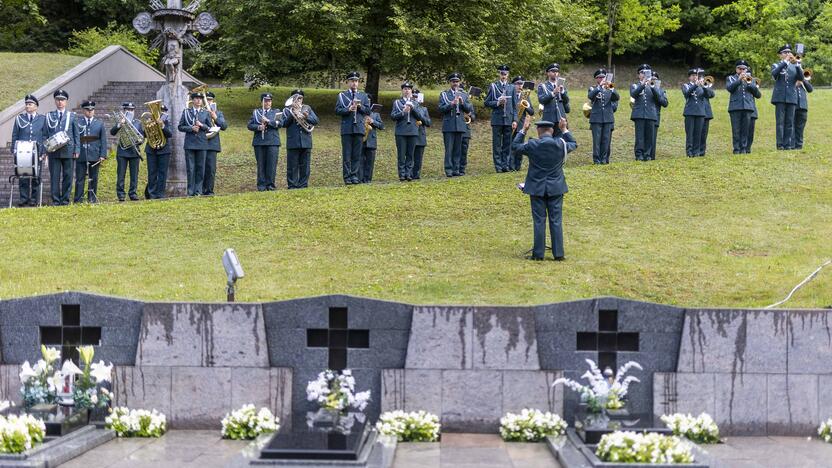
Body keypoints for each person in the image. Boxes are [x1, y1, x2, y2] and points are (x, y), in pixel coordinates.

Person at [512, 116, 577, 261]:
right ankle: (558, 254)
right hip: (556, 187)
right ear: (552, 131)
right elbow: (573, 143)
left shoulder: (533, 144)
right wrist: (564, 129)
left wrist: (523, 130)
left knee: (539, 221)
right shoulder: (560, 144)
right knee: (556, 220)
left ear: (538, 131)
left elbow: (515, 147)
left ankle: (538, 254)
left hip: (537, 187)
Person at [10, 94, 47, 206]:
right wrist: (14, 150)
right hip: (23, 152)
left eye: (30, 104)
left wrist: (44, 151)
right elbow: (15, 135)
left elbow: (45, 136)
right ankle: (24, 198)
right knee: (23, 175)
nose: (27, 106)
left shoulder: (42, 119)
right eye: (26, 104)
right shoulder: (19, 118)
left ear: (36, 106)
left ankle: (35, 199)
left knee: (36, 176)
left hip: (37, 152)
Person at [335, 71, 371, 184]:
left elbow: (368, 111)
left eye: (356, 81)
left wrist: (360, 107)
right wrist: (348, 109)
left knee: (357, 154)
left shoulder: (363, 96)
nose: (354, 83)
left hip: (359, 128)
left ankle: (354, 175)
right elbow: (337, 110)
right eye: (352, 81)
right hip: (347, 128)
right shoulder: (342, 95)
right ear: (348, 82)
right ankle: (347, 177)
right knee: (347, 154)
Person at [45, 89, 79, 205]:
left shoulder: (72, 116)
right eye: (58, 100)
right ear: (55, 101)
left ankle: (65, 199)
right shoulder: (49, 116)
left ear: (66, 101)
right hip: (54, 151)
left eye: (62, 100)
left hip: (68, 150)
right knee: (54, 176)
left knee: (68, 176)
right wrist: (45, 149)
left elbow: (76, 134)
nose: (60, 102)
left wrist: (77, 149)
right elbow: (46, 133)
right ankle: (55, 200)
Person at [283, 89, 319, 189]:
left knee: (305, 166)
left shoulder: (307, 108)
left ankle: (303, 185)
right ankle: (292, 185)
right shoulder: (287, 110)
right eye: (296, 98)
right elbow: (284, 123)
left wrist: (306, 117)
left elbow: (316, 121)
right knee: (292, 166)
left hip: (306, 141)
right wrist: (293, 113)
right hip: (293, 141)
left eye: (300, 98)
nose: (298, 100)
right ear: (292, 99)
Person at [178, 91, 213, 196]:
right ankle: (190, 191)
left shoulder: (205, 112)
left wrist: (201, 125)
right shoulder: (186, 112)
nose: (198, 100)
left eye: (200, 98)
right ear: (192, 100)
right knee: (191, 168)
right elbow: (180, 126)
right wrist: (191, 128)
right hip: (190, 144)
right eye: (196, 98)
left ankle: (198, 190)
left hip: (202, 144)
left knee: (200, 168)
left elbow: (209, 127)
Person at [247, 92, 284, 191]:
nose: (267, 103)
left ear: (271, 102)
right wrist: (259, 127)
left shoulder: (276, 112)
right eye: (265, 101)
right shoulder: (256, 112)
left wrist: (268, 121)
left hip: (272, 142)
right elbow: (249, 125)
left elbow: (280, 123)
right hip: (259, 141)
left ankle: (270, 185)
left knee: (272, 164)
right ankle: (261, 186)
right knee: (261, 164)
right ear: (262, 102)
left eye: (269, 101)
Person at [438, 72, 472, 177]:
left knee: (458, 149)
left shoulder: (464, 94)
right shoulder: (444, 94)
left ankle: (456, 169)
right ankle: (449, 170)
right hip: (449, 125)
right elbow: (440, 109)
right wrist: (451, 104)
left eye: (457, 81)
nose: (455, 83)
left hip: (460, 125)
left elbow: (469, 109)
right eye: (453, 81)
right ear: (450, 82)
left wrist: (462, 102)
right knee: (449, 149)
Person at [73, 100, 107, 203]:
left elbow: (103, 140)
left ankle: (92, 198)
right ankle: (78, 199)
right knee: (80, 178)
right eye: (88, 110)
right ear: (83, 110)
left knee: (94, 177)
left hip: (94, 154)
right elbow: (75, 138)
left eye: (92, 110)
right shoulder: (78, 122)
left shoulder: (99, 124)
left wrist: (103, 155)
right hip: (81, 154)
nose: (90, 112)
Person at [771, 44, 804, 150]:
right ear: (780, 55)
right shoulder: (776, 65)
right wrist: (785, 62)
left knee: (789, 122)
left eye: (789, 52)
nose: (788, 54)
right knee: (780, 122)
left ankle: (788, 144)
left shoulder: (795, 66)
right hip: (779, 97)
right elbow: (774, 75)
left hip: (791, 97)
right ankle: (780, 144)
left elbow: (801, 77)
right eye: (785, 52)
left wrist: (798, 64)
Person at [485, 65, 516, 172]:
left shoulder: (512, 87)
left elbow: (515, 105)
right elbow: (487, 102)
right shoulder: (494, 86)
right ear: (499, 74)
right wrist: (497, 102)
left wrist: (515, 120)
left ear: (508, 75)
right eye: (502, 74)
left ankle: (505, 165)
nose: (504, 76)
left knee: (507, 144)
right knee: (497, 144)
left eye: (505, 74)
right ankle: (498, 166)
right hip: (497, 119)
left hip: (508, 119)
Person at [111, 102, 144, 201]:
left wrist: (139, 141)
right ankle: (121, 194)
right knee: (121, 174)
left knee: (134, 175)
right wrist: (120, 124)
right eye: (128, 110)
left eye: (132, 110)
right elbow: (112, 132)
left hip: (134, 152)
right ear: (124, 111)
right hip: (122, 151)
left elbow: (142, 137)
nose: (130, 111)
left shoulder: (137, 122)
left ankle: (133, 193)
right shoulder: (120, 121)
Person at [726, 60, 761, 154]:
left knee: (746, 129)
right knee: (736, 129)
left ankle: (744, 149)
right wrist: (739, 80)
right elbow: (730, 88)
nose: (741, 70)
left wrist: (750, 84)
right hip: (735, 107)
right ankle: (736, 149)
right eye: (739, 68)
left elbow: (758, 95)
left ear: (746, 69)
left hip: (748, 107)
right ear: (736, 69)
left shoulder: (751, 79)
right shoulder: (731, 78)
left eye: (743, 69)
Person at [391, 82, 423, 181]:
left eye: (409, 89)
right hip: (401, 131)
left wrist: (413, 109)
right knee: (401, 154)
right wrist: (402, 112)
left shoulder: (415, 102)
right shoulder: (397, 102)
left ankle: (409, 174)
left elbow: (420, 117)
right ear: (402, 90)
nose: (407, 91)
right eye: (405, 89)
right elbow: (393, 116)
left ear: (411, 91)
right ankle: (402, 174)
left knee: (410, 154)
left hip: (413, 131)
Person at [630, 65, 660, 161]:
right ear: (639, 75)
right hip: (639, 114)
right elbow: (634, 94)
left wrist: (652, 86)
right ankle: (639, 155)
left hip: (651, 114)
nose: (644, 74)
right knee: (640, 137)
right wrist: (643, 84)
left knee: (649, 136)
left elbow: (659, 98)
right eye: (642, 72)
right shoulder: (635, 85)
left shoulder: (653, 85)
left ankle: (647, 155)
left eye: (647, 73)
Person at [587, 69, 618, 164]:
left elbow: (617, 97)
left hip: (608, 118)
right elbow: (590, 96)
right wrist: (600, 86)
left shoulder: (610, 86)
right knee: (597, 140)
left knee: (606, 139)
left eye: (603, 77)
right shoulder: (593, 88)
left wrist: (611, 87)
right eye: (599, 77)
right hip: (596, 118)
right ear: (596, 79)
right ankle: (596, 160)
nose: (601, 79)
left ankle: (604, 159)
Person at [145, 103, 174, 198]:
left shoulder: (167, 122)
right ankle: (152, 194)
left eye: (162, 112)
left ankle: (160, 194)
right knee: (151, 172)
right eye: (158, 111)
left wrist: (162, 125)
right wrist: (147, 126)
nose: (160, 114)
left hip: (164, 150)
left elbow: (170, 134)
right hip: (151, 149)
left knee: (162, 173)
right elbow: (144, 135)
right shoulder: (149, 121)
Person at [203, 91, 228, 196]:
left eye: (210, 100)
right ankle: (199, 189)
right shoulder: (200, 112)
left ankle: (209, 190)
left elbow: (224, 126)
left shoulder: (218, 113)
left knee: (210, 169)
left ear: (213, 101)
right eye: (206, 100)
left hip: (212, 144)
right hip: (200, 143)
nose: (208, 101)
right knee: (200, 168)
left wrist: (215, 117)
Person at [537, 63, 570, 136]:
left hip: (560, 117)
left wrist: (562, 92)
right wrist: (553, 93)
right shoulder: (542, 86)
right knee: (548, 140)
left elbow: (567, 101)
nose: (555, 73)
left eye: (557, 71)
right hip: (549, 117)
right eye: (553, 71)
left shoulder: (562, 86)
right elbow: (541, 100)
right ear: (548, 73)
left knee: (560, 140)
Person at [510, 76, 534, 171]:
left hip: (521, 125)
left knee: (520, 146)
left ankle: (517, 166)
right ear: (513, 85)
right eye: (518, 84)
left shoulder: (525, 96)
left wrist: (525, 105)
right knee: (510, 145)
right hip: (511, 123)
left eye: (521, 84)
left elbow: (531, 112)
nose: (520, 86)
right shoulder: (510, 95)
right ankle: (510, 166)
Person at [682, 69, 707, 157]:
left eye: (696, 75)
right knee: (690, 133)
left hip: (700, 112)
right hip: (689, 112)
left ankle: (696, 152)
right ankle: (689, 152)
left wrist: (704, 86)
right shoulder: (686, 85)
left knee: (698, 133)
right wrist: (696, 85)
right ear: (689, 77)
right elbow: (686, 94)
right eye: (692, 75)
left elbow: (711, 95)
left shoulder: (702, 86)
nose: (695, 77)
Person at [360, 98, 384, 183]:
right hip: (360, 139)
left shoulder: (375, 114)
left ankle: (368, 179)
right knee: (360, 160)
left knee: (370, 161)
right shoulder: (359, 112)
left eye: (369, 101)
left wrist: (373, 121)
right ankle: (360, 178)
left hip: (371, 140)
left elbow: (381, 126)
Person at [412, 88, 431, 180]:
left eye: (416, 96)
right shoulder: (407, 107)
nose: (415, 97)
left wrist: (421, 118)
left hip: (420, 136)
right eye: (413, 95)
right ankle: (408, 173)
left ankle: (416, 174)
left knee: (418, 158)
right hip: (410, 134)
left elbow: (428, 122)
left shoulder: (424, 109)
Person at [652, 71, 668, 160]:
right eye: (652, 79)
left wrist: (657, 92)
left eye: (655, 79)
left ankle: (652, 156)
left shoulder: (661, 91)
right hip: (645, 115)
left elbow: (665, 103)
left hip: (655, 116)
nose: (654, 81)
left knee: (653, 137)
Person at [698, 70, 715, 157]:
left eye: (702, 76)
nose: (701, 78)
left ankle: (702, 151)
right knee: (696, 133)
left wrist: (704, 87)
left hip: (706, 113)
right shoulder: (694, 85)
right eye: (699, 76)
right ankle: (695, 151)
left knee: (704, 133)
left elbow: (711, 95)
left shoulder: (706, 85)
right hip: (697, 112)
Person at [794, 72, 813, 150]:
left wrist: (803, 80)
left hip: (803, 106)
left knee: (800, 127)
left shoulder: (803, 81)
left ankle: (799, 145)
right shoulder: (791, 80)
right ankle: (791, 144)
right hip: (793, 105)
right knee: (791, 125)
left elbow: (810, 89)